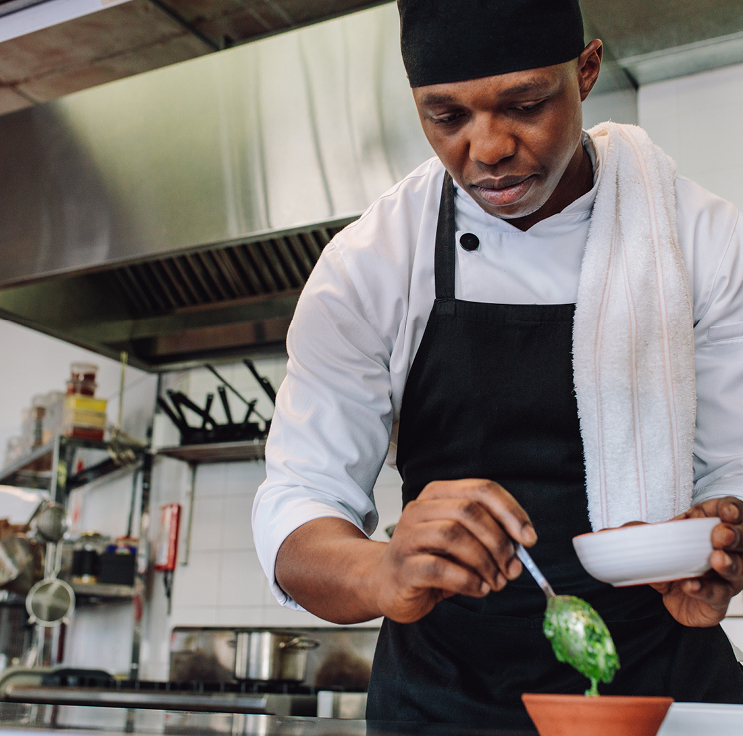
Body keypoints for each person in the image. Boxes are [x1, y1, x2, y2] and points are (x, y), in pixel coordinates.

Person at [253, 0, 743, 727]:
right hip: (443, 697)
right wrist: (381, 569)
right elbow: (300, 499)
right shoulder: (370, 265)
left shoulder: (700, 239)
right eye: (445, 117)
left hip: (662, 683)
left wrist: (723, 545)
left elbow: (733, 471)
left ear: (585, 71)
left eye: (524, 104)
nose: (485, 149)